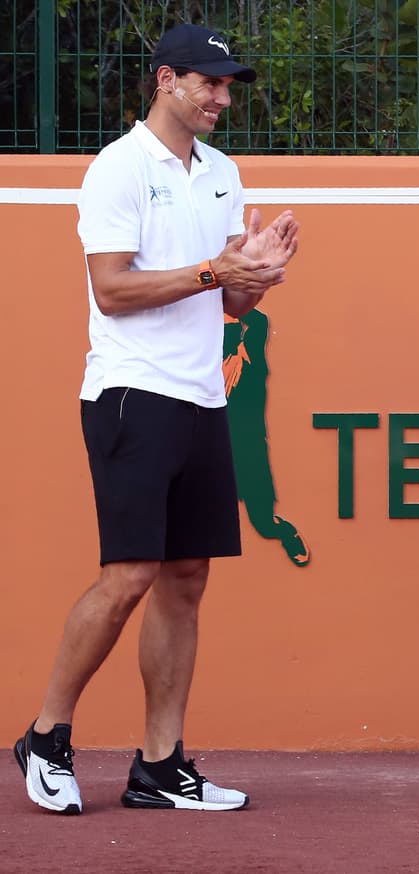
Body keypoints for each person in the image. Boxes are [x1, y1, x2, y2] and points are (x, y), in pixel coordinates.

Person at [12, 22, 299, 814]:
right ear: (167, 80)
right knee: (130, 573)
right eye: (209, 83)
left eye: (229, 85)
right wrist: (216, 267)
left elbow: (230, 299)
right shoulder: (117, 168)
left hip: (204, 394)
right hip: (132, 394)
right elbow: (113, 289)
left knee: (186, 578)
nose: (222, 97)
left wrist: (260, 270)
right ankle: (45, 735)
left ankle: (160, 764)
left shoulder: (222, 172)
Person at [223, 308, 310, 566]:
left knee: (263, 522)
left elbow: (257, 319)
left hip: (247, 448)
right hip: (213, 450)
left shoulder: (252, 362)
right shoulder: (207, 368)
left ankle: (285, 532)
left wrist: (227, 297)